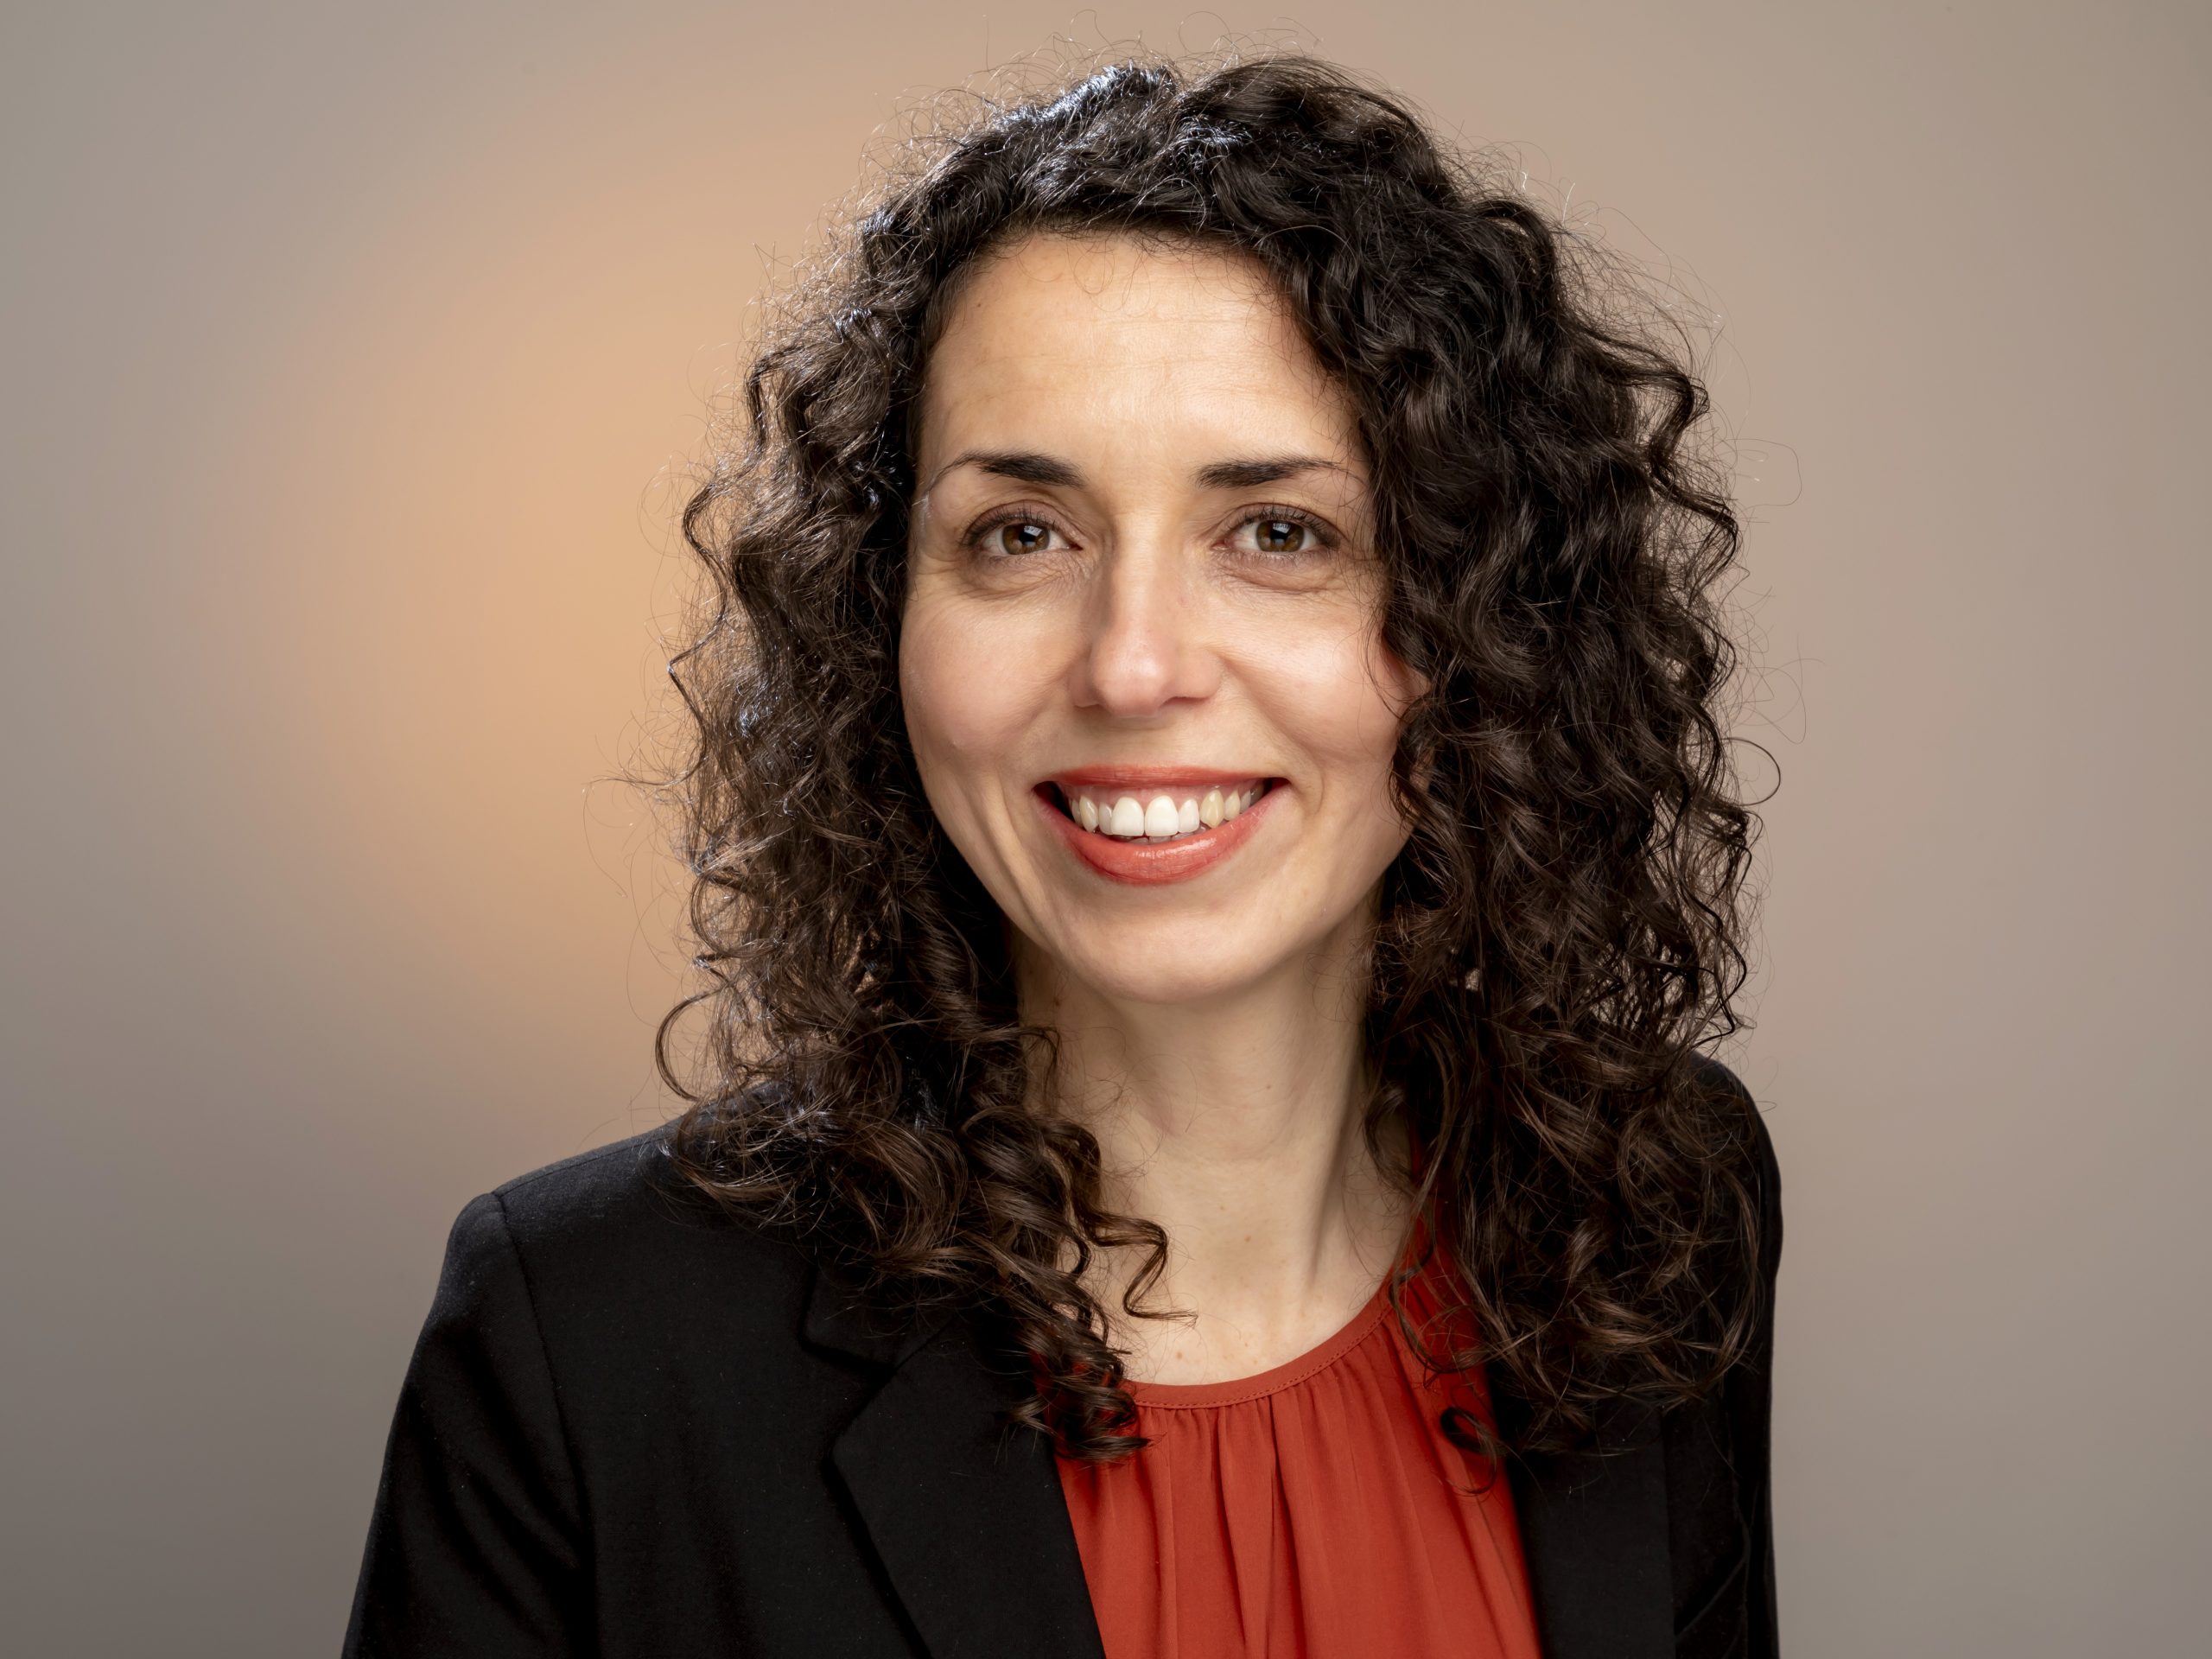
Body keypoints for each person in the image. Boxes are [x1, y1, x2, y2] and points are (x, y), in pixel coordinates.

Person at [344, 52, 1780, 1659]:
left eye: (1279, 533)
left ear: (1487, 624)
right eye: (1022, 535)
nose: (1132, 666)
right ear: (881, 616)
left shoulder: (1663, 1203)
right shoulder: (586, 1342)